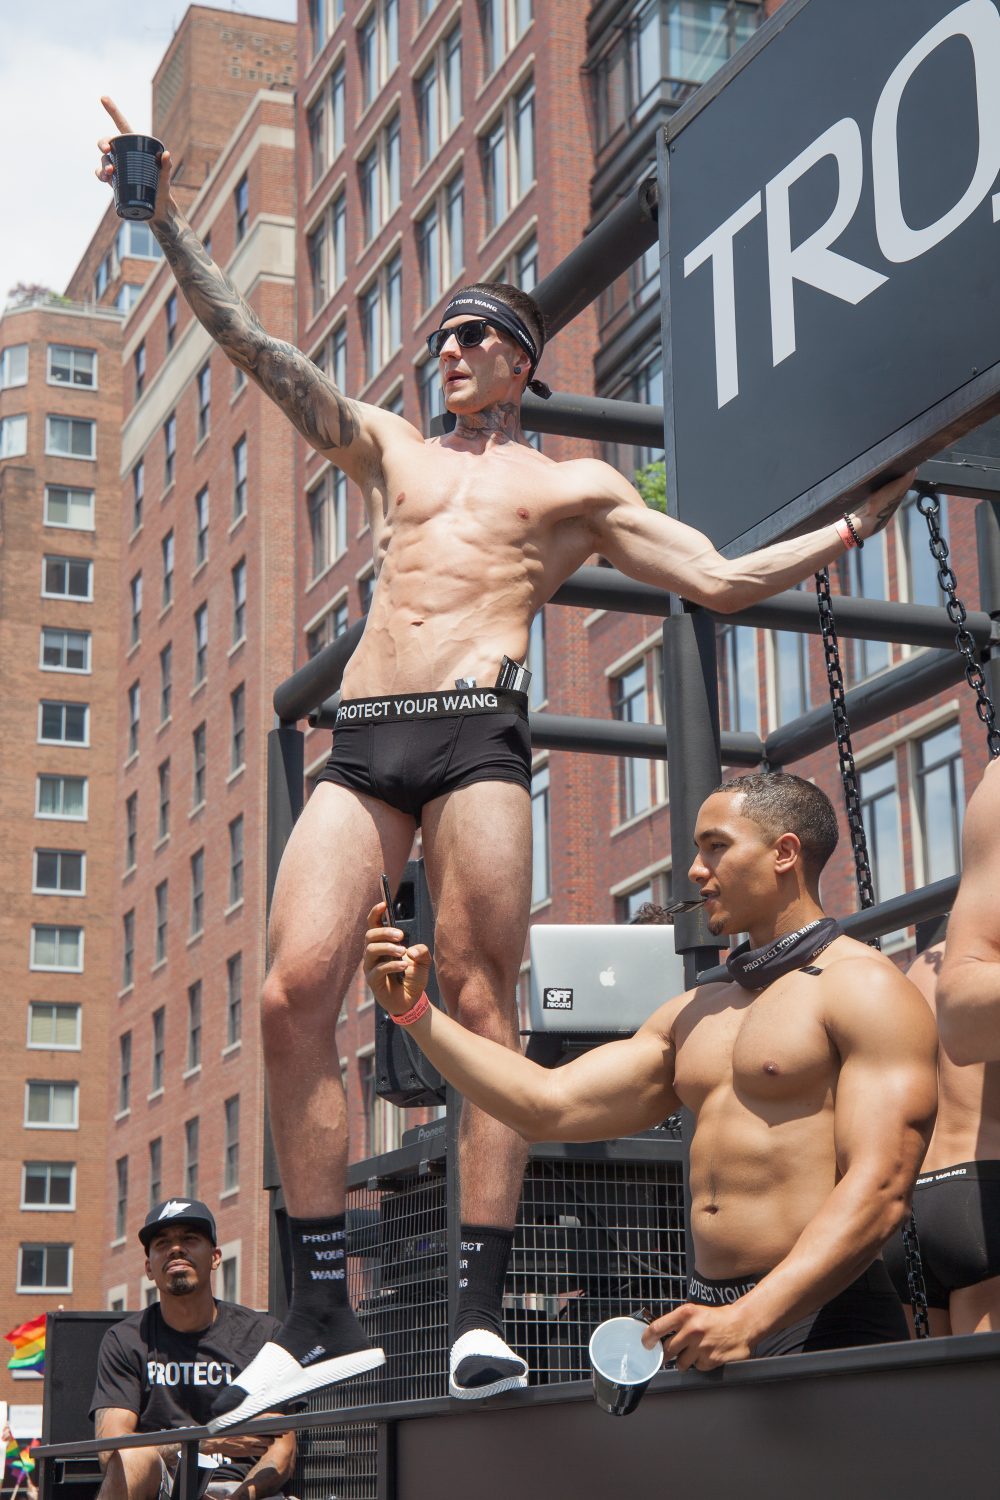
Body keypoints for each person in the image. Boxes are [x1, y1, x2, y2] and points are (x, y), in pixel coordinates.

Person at [96, 97, 914, 1418]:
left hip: (477, 730)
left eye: (473, 334)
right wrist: (162, 220)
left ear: (521, 358)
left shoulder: (573, 488)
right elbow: (251, 348)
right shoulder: (393, 452)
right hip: (364, 739)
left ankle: (479, 1312)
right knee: (288, 997)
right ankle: (315, 1312)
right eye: (442, 339)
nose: (450, 351)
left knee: (484, 1001)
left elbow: (717, 579)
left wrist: (854, 519)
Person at [365, 774, 938, 1367]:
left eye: (716, 846)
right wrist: (414, 1012)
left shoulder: (865, 988)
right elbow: (545, 1103)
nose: (695, 869)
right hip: (706, 1315)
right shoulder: (697, 1012)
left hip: (821, 1314)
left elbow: (881, 1186)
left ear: (784, 854)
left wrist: (753, 1316)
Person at [882, 759, 1000, 1334]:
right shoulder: (981, 975)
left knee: (927, 1414)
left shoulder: (911, 978)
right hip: (986, 1188)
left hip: (906, 1211)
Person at [90, 1201, 295, 1500]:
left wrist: (239, 1498)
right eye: (162, 1243)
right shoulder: (125, 1340)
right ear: (149, 1268)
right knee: (131, 1456)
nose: (176, 1249)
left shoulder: (263, 1334)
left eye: (189, 1239)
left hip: (242, 1489)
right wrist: (207, 1440)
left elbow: (282, 1448)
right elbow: (110, 1451)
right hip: (164, 1487)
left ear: (214, 1257)